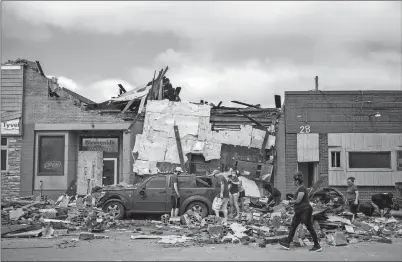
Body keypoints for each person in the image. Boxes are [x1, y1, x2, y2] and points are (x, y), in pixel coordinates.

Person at [279, 171, 322, 252]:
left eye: (293, 181)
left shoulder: (302, 188)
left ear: (297, 181)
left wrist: (289, 202)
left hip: (305, 211)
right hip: (300, 211)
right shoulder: (299, 189)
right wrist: (289, 203)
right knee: (293, 226)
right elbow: (298, 201)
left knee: (309, 227)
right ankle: (287, 243)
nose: (293, 182)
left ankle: (317, 245)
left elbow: (299, 200)